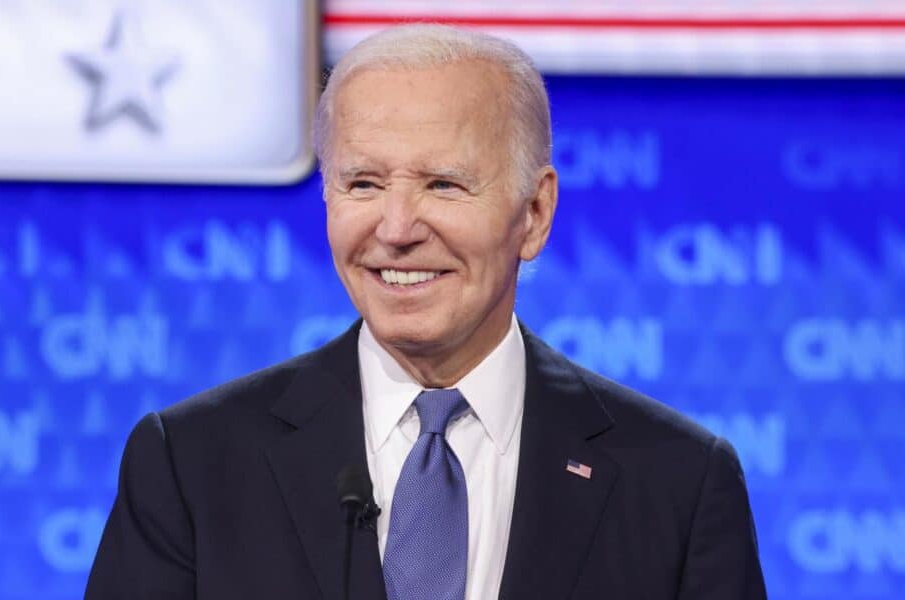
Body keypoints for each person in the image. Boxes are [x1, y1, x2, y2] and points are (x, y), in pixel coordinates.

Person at [84, 24, 767, 600]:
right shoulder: (191, 464)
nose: (397, 226)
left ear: (534, 213)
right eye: (363, 183)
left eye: (443, 184)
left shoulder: (678, 482)